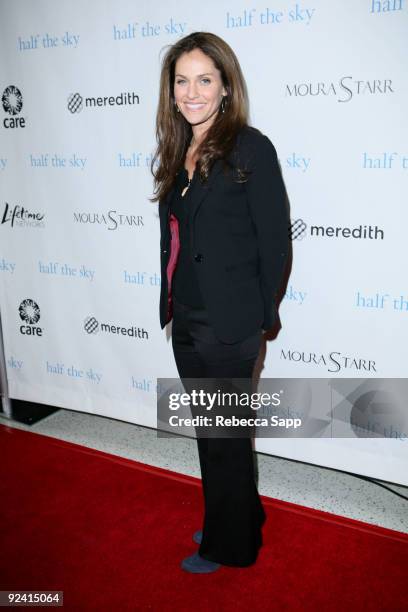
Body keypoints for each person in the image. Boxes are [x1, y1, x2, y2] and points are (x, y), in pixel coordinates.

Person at [150, 32, 290, 573]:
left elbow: (275, 240)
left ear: (226, 86)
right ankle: (239, 516)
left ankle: (230, 547)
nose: (192, 92)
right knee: (215, 433)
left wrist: (258, 319)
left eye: (204, 79)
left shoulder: (251, 147)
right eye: (181, 81)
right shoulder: (176, 149)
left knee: (226, 436)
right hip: (185, 317)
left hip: (229, 326)